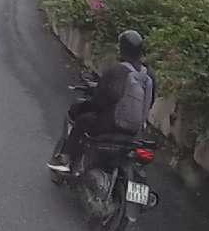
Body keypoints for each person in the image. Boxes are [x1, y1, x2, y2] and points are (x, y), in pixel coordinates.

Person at [49, 30, 157, 175]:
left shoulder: (117, 70)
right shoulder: (149, 75)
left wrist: (88, 106)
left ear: (122, 48)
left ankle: (65, 160)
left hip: (112, 126)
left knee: (82, 120)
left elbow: (99, 101)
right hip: (136, 131)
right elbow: (149, 101)